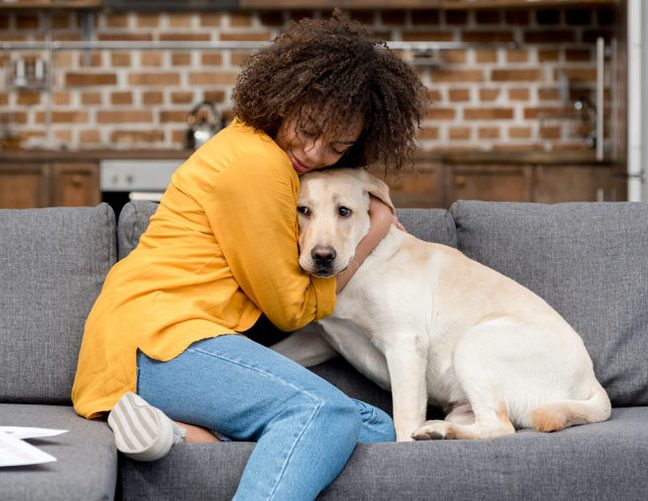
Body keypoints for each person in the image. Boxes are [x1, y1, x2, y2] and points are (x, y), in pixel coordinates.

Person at [72, 11, 427, 501]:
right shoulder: (256, 165)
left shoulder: (261, 152)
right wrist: (375, 229)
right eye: (307, 128)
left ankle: (181, 433)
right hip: (161, 339)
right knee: (325, 413)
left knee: (377, 426)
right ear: (286, 97)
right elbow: (291, 308)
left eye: (337, 147)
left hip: (172, 342)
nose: (314, 151)